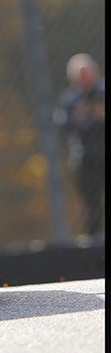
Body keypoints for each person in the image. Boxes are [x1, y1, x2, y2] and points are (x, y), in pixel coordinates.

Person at [54, 54, 105, 240]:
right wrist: (78, 115)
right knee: (91, 204)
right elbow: (62, 126)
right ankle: (94, 240)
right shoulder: (70, 100)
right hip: (85, 158)